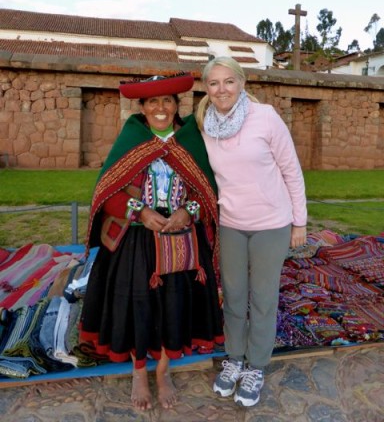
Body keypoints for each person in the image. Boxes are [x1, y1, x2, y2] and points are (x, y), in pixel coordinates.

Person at [79, 72, 223, 411]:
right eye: (153, 101)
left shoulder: (190, 138)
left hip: (181, 238)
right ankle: (139, 371)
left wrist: (188, 211)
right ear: (142, 106)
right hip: (137, 241)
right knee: (136, 305)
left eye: (168, 100)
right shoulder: (131, 136)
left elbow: (207, 191)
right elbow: (107, 191)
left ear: (177, 105)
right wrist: (140, 212)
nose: (161, 107)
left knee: (174, 306)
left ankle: (162, 371)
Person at [196, 57, 307, 408]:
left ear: (242, 83)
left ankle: (256, 365)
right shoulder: (204, 125)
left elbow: (291, 169)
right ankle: (234, 358)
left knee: (262, 298)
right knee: (232, 294)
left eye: (229, 81)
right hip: (232, 223)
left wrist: (299, 222)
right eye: (214, 83)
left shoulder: (266, 117)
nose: (222, 89)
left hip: (271, 224)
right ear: (206, 90)